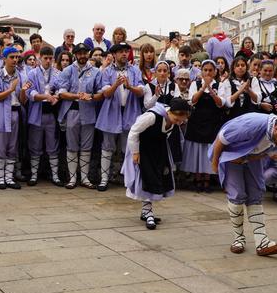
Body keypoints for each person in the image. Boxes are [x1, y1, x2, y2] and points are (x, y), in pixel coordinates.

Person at [209, 113, 277, 256]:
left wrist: (247, 158)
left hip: (251, 158)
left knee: (256, 194)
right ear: (276, 129)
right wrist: (215, 163)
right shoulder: (252, 125)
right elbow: (221, 138)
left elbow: (267, 153)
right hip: (230, 155)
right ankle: (238, 239)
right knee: (237, 195)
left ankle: (262, 241)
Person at [123, 98, 190, 230]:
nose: (179, 123)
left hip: (158, 149)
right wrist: (135, 152)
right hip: (143, 149)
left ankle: (145, 211)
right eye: (177, 119)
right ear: (170, 112)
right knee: (147, 179)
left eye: (182, 120)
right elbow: (133, 132)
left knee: (157, 177)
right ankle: (148, 213)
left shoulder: (171, 121)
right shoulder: (152, 116)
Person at [95, 42, 144, 192]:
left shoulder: (135, 70)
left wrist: (129, 86)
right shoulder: (107, 71)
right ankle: (104, 179)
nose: (124, 54)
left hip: (130, 112)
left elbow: (141, 91)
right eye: (121, 52)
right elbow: (105, 94)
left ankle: (129, 180)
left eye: (126, 52)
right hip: (111, 112)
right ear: (114, 54)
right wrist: (116, 84)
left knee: (129, 147)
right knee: (107, 146)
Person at [56, 43, 103, 189]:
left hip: (89, 110)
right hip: (72, 110)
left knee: (86, 146)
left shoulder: (96, 71)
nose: (82, 56)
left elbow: (101, 93)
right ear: (75, 54)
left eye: (85, 53)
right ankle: (72, 178)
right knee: (71, 145)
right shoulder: (68, 70)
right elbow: (61, 92)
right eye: (79, 53)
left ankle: (84, 178)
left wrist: (92, 96)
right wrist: (77, 95)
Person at [0, 47, 27, 189]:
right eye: (12, 57)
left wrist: (22, 91)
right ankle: (0, 178)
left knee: (12, 146)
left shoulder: (21, 75)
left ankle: (9, 178)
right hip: (0, 114)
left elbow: (23, 101)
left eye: (17, 57)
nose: (15, 60)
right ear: (4, 59)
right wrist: (11, 89)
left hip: (15, 113)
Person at [184, 60, 225, 192]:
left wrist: (211, 91)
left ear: (215, 72)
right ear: (201, 71)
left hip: (212, 121)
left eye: (210, 70)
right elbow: (192, 101)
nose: (207, 72)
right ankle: (197, 178)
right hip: (197, 121)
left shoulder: (220, 85)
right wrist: (203, 88)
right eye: (205, 70)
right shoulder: (195, 84)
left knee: (209, 149)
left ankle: (207, 179)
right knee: (197, 150)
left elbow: (221, 104)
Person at [25, 46, 61, 186]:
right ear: (40, 58)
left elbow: (61, 87)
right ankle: (34, 175)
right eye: (45, 58)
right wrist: (43, 96)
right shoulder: (32, 73)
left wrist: (57, 96)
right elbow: (30, 92)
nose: (48, 61)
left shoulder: (57, 73)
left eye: (50, 58)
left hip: (51, 113)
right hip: (37, 113)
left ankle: (55, 176)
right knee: (35, 145)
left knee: (52, 145)